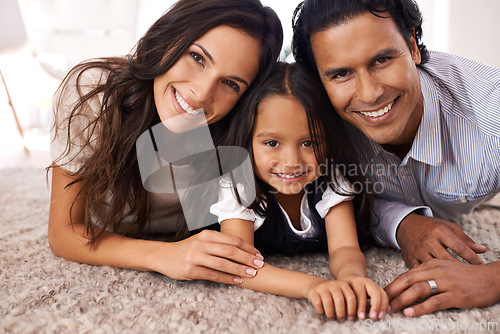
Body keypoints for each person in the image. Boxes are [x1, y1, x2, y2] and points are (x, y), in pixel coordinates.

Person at [48, 0, 283, 286]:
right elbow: (63, 232)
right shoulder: (94, 94)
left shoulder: (241, 125)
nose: (201, 94)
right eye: (197, 58)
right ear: (169, 39)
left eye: (231, 84)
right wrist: (163, 255)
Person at [291, 0, 500, 317]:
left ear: (413, 48)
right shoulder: (312, 118)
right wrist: (402, 224)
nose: (369, 93)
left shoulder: (491, 115)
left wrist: (491, 279)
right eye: (341, 74)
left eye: (381, 60)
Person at [210, 62, 388, 321]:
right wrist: (311, 285)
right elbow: (241, 266)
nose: (292, 161)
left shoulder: (330, 178)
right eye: (272, 143)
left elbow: (344, 248)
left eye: (308, 142)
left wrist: (352, 278)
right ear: (246, 138)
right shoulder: (238, 185)